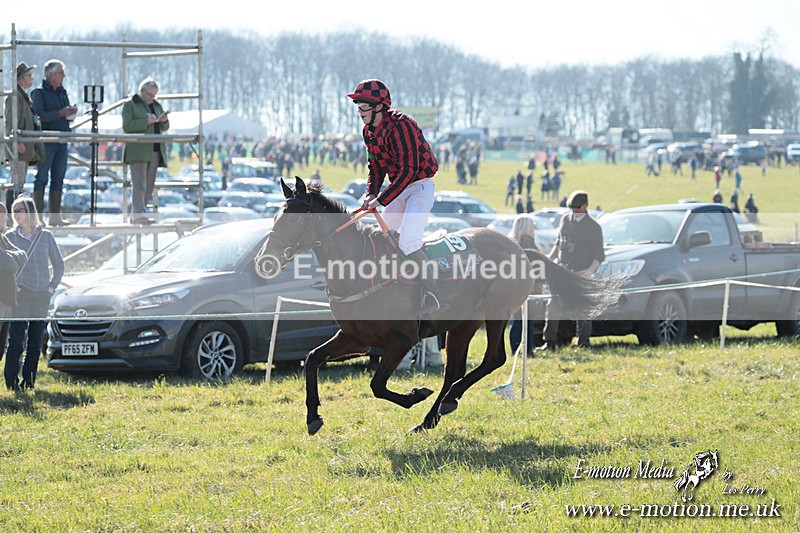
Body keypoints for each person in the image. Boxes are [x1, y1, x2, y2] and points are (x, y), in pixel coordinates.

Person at [347, 79, 447, 314]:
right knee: (382, 239)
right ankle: (387, 290)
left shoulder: (404, 125)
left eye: (363, 106)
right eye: (358, 106)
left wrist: (381, 199)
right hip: (399, 188)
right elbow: (375, 169)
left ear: (380, 106)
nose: (359, 112)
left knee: (408, 241)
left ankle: (434, 294)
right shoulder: (368, 132)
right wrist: (370, 194)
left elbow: (409, 170)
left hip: (419, 187)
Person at [4, 197, 64, 391]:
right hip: (21, 294)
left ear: (30, 211)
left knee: (36, 341)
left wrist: (51, 287)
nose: (16, 214)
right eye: (14, 210)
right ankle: (12, 382)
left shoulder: (45, 236)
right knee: (16, 340)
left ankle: (29, 381)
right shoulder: (9, 237)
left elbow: (59, 264)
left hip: (41, 295)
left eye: (19, 209)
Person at [537, 190, 604, 351]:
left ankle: (583, 342)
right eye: (572, 207)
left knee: (583, 309)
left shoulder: (594, 227)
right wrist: (549, 259)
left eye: (577, 207)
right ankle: (550, 342)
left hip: (581, 272)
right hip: (561, 270)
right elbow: (558, 243)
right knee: (552, 306)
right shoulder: (565, 220)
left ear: (585, 206)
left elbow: (599, 254)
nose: (574, 210)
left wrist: (590, 270)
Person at [30, 59, 78, 226]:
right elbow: (39, 116)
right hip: (46, 141)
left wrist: (70, 112)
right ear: (51, 75)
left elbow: (63, 115)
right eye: (60, 73)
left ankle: (55, 217)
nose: (63, 76)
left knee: (59, 178)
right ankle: (37, 218)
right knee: (42, 177)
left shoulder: (62, 93)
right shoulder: (39, 93)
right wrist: (60, 113)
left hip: (62, 140)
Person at [122, 77, 171, 225]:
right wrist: (146, 122)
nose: (152, 97)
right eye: (150, 94)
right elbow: (127, 126)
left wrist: (164, 121)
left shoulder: (156, 105)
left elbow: (165, 127)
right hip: (138, 150)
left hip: (155, 149)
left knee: (149, 184)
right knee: (139, 184)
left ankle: (138, 212)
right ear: (142, 91)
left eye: (154, 94)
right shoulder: (130, 105)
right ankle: (138, 215)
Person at [4, 62, 45, 210]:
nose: (31, 78)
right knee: (16, 183)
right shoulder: (15, 97)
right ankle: (10, 216)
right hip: (20, 146)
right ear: (21, 78)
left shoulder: (23, 96)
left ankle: (12, 216)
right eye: (28, 76)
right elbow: (10, 123)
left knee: (19, 183)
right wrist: (17, 142)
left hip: (24, 145)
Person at [0, 202, 28, 361]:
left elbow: (22, 255)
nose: (4, 221)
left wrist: (10, 257)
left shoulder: (2, 238)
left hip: (7, 300)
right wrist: (11, 258)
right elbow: (10, 264)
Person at [507, 215, 538, 356]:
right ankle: (527, 351)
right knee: (527, 321)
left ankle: (516, 350)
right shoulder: (528, 244)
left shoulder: (511, 242)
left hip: (513, 287)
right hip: (526, 287)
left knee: (517, 321)